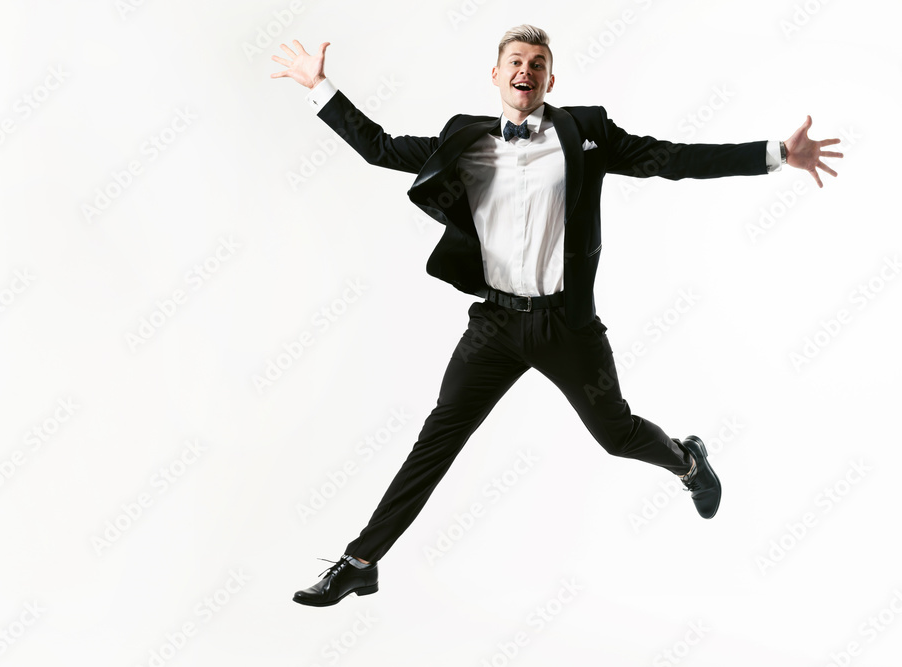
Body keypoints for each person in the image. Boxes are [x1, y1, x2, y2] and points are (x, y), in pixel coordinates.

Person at [271, 24, 842, 607]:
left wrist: (775, 154)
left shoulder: (584, 132)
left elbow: (670, 158)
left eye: (538, 63)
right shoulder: (463, 139)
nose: (526, 70)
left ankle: (686, 460)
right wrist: (320, 86)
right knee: (436, 441)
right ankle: (360, 561)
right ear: (496, 75)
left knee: (616, 436)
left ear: (550, 77)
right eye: (515, 61)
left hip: (566, 325)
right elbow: (381, 148)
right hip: (494, 325)